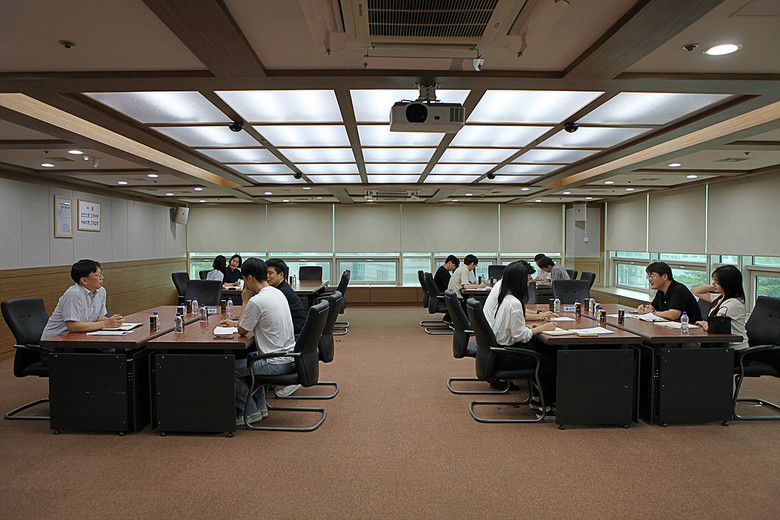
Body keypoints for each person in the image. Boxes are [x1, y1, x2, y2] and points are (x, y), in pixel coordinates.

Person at [220, 258, 295, 425]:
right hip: (289, 357)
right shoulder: (277, 293)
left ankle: (250, 411)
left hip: (275, 362)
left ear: (250, 278)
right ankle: (261, 407)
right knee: (250, 359)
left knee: (229, 369)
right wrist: (236, 323)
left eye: (244, 279)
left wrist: (245, 300)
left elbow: (242, 331)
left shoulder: (257, 300)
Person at [487, 261, 558, 418]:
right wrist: (542, 328)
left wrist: (530, 328)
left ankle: (537, 399)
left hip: (499, 352)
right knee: (549, 360)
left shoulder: (505, 298)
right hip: (507, 356)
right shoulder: (514, 303)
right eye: (527, 280)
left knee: (543, 349)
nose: (529, 283)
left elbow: (515, 331)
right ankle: (545, 408)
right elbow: (520, 336)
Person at [41, 259, 124, 343]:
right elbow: (73, 326)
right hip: (56, 341)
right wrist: (105, 324)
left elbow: (98, 318)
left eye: (101, 274)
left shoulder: (101, 291)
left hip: (81, 338)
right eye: (97, 275)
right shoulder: (73, 294)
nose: (102, 278)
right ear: (84, 280)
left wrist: (113, 321)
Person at [266, 258, 308, 398]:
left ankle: (289, 376)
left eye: (270, 273)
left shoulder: (280, 292)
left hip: (295, 334)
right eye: (265, 273)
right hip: (299, 332)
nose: (267, 277)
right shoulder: (281, 288)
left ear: (281, 275)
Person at [692, 265, 748, 351]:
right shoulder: (720, 298)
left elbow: (713, 327)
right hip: (721, 346)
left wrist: (703, 323)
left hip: (734, 350)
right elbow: (695, 291)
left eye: (717, 282)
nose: (713, 284)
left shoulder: (733, 304)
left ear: (727, 284)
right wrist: (714, 286)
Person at [637, 261, 702, 322]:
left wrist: (652, 312)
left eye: (652, 276)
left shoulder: (679, 290)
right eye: (648, 277)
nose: (649, 280)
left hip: (689, 328)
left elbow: (673, 315)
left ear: (665, 276)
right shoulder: (661, 291)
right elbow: (651, 307)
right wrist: (643, 308)